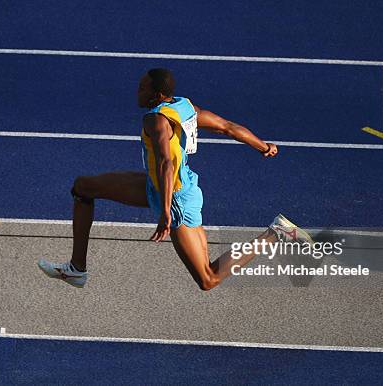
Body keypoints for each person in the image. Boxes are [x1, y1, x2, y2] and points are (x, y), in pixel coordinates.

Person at [38, 68, 312, 290]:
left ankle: (276, 233)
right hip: (158, 186)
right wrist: (263, 146)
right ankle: (77, 268)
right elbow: (227, 127)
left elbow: (167, 163)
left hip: (176, 197)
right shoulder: (184, 106)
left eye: (142, 88)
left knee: (208, 278)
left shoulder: (155, 121)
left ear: (156, 95)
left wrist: (166, 212)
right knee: (83, 187)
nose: (137, 91)